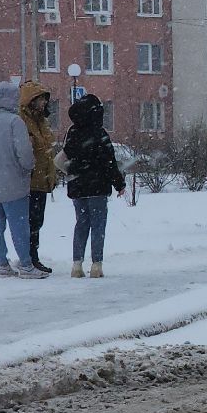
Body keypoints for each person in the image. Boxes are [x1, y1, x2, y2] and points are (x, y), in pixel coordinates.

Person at [0, 81, 44, 278]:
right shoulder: (15, 122)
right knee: (19, 228)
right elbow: (24, 153)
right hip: (13, 184)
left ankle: (3, 264)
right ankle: (26, 265)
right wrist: (29, 166)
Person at [62, 93, 127, 277]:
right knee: (98, 225)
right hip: (97, 186)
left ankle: (76, 265)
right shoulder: (100, 133)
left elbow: (66, 156)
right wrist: (119, 183)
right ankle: (96, 265)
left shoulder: (72, 132)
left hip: (77, 186)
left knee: (81, 224)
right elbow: (110, 162)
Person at [18, 81, 58, 272]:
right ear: (31, 100)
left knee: (37, 220)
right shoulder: (22, 121)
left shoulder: (42, 121)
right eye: (40, 99)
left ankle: (32, 257)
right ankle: (29, 258)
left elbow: (47, 151)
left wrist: (52, 175)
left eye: (44, 99)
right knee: (31, 221)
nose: (44, 103)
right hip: (29, 180)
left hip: (41, 179)